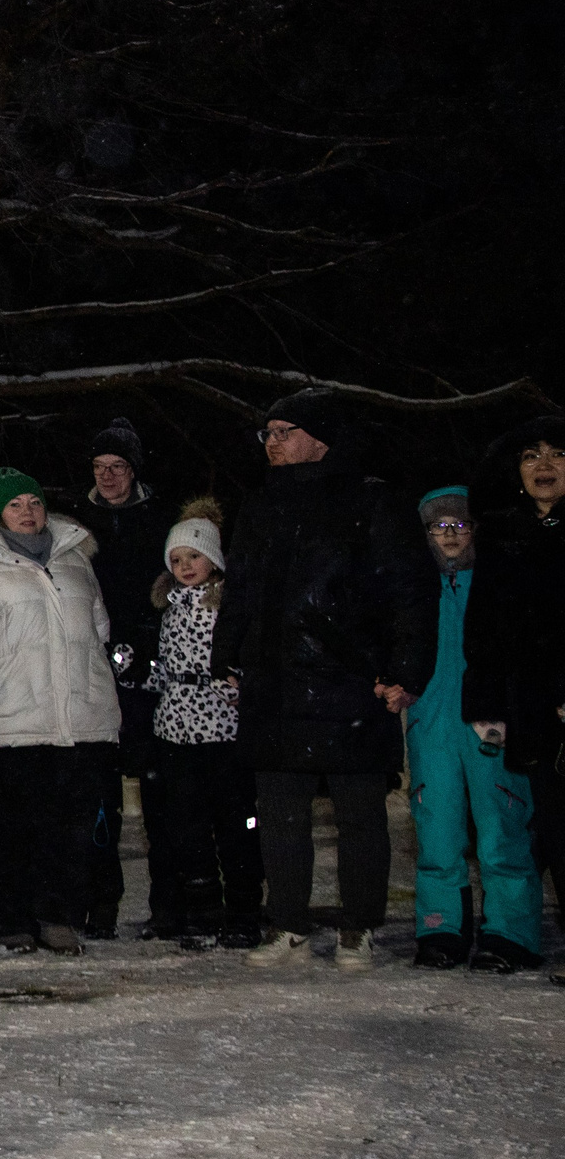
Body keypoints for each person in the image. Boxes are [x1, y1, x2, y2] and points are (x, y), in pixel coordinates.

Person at [212, 391, 436, 970]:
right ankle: (288, 924)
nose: (272, 442)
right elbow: (240, 589)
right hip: (274, 682)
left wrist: (405, 670)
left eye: (283, 431)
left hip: (351, 680)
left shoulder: (372, 500)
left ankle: (358, 927)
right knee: (279, 814)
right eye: (267, 434)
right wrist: (227, 657)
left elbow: (408, 592)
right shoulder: (261, 504)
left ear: (320, 438)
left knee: (359, 814)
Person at [0, 468, 122, 956]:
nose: (27, 511)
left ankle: (55, 917)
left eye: (34, 502)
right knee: (1, 834)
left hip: (74, 720)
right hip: (2, 721)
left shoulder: (76, 560)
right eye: (15, 505)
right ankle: (9, 921)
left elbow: (98, 632)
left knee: (68, 831)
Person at [405, 487, 539, 973]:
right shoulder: (415, 588)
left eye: (460, 525)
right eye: (439, 526)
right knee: (437, 828)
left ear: (476, 530)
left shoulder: (498, 581)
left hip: (488, 718)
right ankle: (441, 928)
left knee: (501, 824)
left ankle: (511, 932)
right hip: (431, 720)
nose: (450, 534)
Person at [461, 415, 565, 975]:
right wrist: (485, 705)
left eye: (557, 454)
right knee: (553, 827)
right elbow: (484, 627)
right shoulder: (503, 534)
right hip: (534, 709)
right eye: (531, 456)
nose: (543, 466)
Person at [72, 418, 176, 939]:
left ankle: (171, 905)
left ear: (134, 470)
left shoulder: (162, 518)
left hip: (153, 674)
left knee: (162, 796)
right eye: (99, 466)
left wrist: (147, 644)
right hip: (94, 670)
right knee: (98, 797)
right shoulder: (77, 524)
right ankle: (99, 904)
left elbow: (178, 584)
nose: (108, 476)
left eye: (117, 466)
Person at [141, 501, 262, 949]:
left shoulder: (229, 605)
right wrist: (138, 672)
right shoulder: (169, 608)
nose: (185, 566)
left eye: (194, 556)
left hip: (222, 731)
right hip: (175, 731)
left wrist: (236, 682)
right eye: (176, 560)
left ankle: (244, 911)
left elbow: (247, 656)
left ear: (213, 558)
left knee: (235, 825)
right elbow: (167, 669)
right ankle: (203, 910)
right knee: (187, 826)